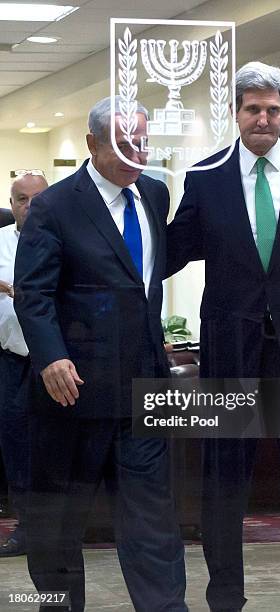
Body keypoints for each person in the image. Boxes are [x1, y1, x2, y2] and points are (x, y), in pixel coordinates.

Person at [167, 62, 280, 612]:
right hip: (230, 351)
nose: (263, 118)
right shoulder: (205, 177)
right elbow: (172, 254)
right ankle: (225, 597)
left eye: (272, 109)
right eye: (253, 109)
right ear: (236, 113)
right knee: (225, 478)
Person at [14, 97, 187, 612]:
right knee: (62, 522)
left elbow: (142, 281)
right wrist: (50, 357)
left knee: (152, 518)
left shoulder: (154, 194)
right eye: (123, 141)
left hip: (143, 389)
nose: (137, 152)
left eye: (143, 140)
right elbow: (34, 292)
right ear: (92, 144)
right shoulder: (55, 206)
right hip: (74, 392)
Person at [0, 171, 48, 556]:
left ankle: (60, 529)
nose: (28, 206)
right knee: (16, 449)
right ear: (11, 204)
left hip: (55, 363)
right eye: (20, 199)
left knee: (56, 448)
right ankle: (26, 530)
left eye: (36, 198)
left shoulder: (67, 239)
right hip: (11, 362)